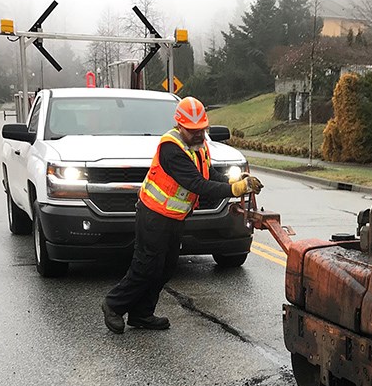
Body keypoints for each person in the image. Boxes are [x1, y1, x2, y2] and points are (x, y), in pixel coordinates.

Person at [101, 96, 263, 334]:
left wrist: (235, 180)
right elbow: (196, 183)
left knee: (165, 268)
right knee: (146, 266)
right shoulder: (171, 148)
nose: (199, 135)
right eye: (192, 131)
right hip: (153, 216)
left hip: (174, 217)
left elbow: (208, 174)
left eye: (202, 130)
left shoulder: (199, 146)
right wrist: (234, 190)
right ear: (180, 126)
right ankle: (113, 305)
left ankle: (142, 314)